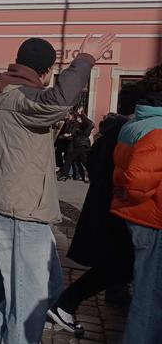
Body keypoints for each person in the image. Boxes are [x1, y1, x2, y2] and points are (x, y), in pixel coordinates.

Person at [0, 34, 115, 344]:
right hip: (23, 208)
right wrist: (85, 59)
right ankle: (1, 338)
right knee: (32, 296)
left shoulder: (11, 94)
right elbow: (58, 102)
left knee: (31, 284)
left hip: (23, 203)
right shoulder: (20, 96)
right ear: (45, 72)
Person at [47, 84, 144, 336]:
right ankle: (68, 302)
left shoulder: (120, 130)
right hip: (127, 209)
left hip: (115, 208)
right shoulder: (134, 131)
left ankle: (76, 299)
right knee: (122, 263)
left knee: (121, 263)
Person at [110, 66, 162, 344]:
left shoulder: (136, 122)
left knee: (148, 293)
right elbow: (138, 182)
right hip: (154, 220)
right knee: (151, 298)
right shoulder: (158, 129)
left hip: (139, 217)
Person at [58, 112, 94, 182]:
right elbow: (73, 135)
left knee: (69, 158)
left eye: (79, 118)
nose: (78, 119)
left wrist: (82, 113)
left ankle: (64, 175)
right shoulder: (78, 125)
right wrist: (66, 136)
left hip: (80, 144)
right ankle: (93, 174)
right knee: (84, 161)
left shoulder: (86, 125)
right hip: (79, 145)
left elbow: (88, 123)